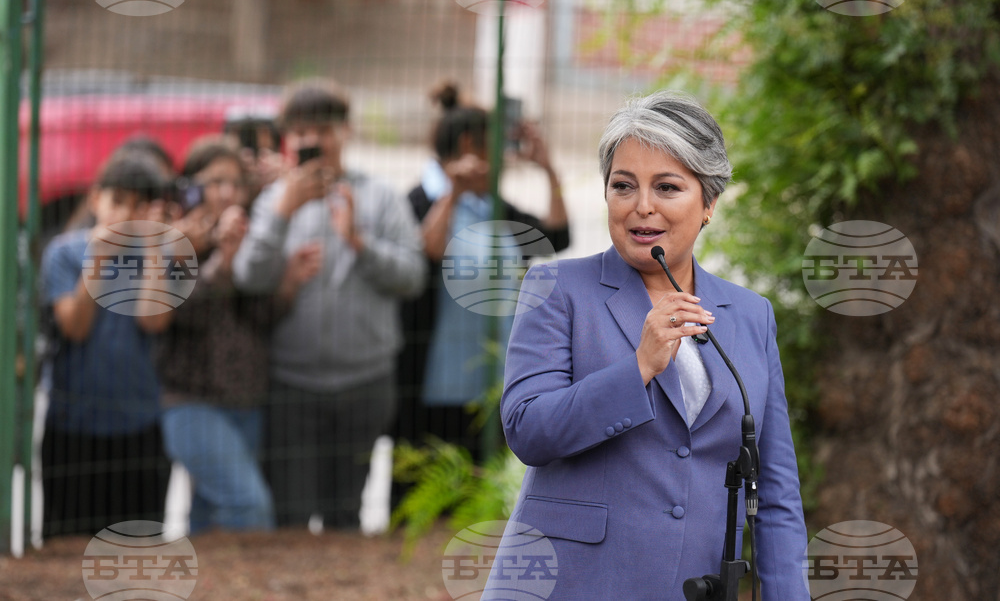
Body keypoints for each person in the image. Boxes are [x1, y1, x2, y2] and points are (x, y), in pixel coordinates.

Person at [485, 91, 810, 599]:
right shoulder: (558, 289)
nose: (642, 207)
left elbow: (775, 493)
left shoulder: (751, 315)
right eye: (623, 186)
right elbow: (528, 430)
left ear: (708, 203)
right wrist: (639, 366)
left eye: (667, 187)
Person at [232, 80, 426, 530]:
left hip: (366, 381)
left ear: (346, 132)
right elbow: (248, 278)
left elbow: (412, 278)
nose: (312, 141)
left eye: (323, 129)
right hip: (291, 383)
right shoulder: (272, 202)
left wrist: (359, 242)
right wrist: (283, 212)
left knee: (346, 513)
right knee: (291, 515)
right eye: (300, 132)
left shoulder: (381, 197)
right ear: (287, 139)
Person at [138, 136, 321, 534]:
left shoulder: (254, 234)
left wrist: (287, 283)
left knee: (208, 518)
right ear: (192, 186)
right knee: (249, 507)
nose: (227, 193)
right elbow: (169, 315)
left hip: (247, 401)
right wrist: (221, 259)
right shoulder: (177, 240)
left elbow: (260, 318)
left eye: (236, 183)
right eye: (215, 182)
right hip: (193, 403)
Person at [396, 83, 570, 462]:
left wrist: (548, 169)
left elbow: (556, 236)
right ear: (468, 145)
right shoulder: (420, 200)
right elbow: (427, 251)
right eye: (495, 144)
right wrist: (454, 192)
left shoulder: (496, 206)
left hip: (490, 384)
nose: (504, 156)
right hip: (430, 384)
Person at [40, 151, 173, 537]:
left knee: (136, 549)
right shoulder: (64, 252)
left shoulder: (163, 256)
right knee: (69, 544)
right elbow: (75, 327)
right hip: (73, 428)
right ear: (96, 199)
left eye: (139, 206)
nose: (124, 215)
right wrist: (98, 260)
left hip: (139, 426)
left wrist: (151, 248)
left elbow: (155, 320)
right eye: (117, 202)